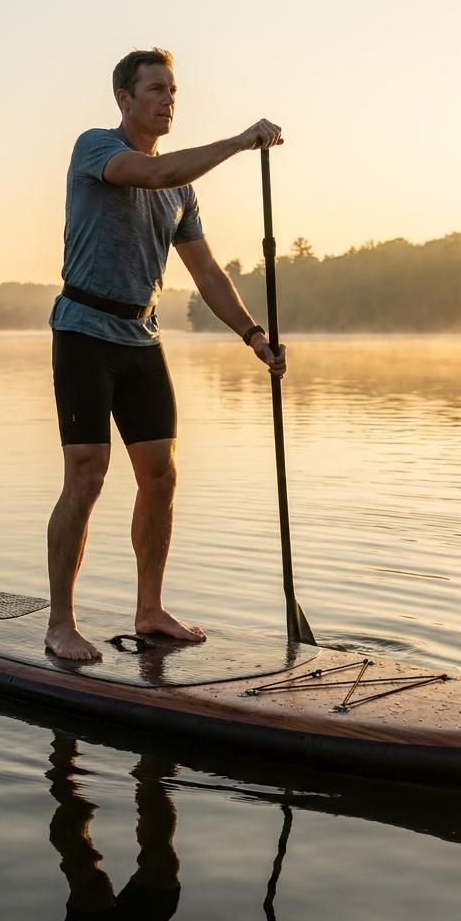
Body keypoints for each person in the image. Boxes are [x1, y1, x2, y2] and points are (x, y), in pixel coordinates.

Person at [46, 47, 286, 661]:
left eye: (173, 90)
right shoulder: (96, 149)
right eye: (155, 89)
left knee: (160, 476)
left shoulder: (182, 194)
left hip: (142, 339)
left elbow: (206, 273)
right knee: (87, 475)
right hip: (84, 333)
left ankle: (149, 609)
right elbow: (152, 174)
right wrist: (236, 143)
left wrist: (253, 335)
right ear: (125, 99)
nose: (167, 99)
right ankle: (60, 623)